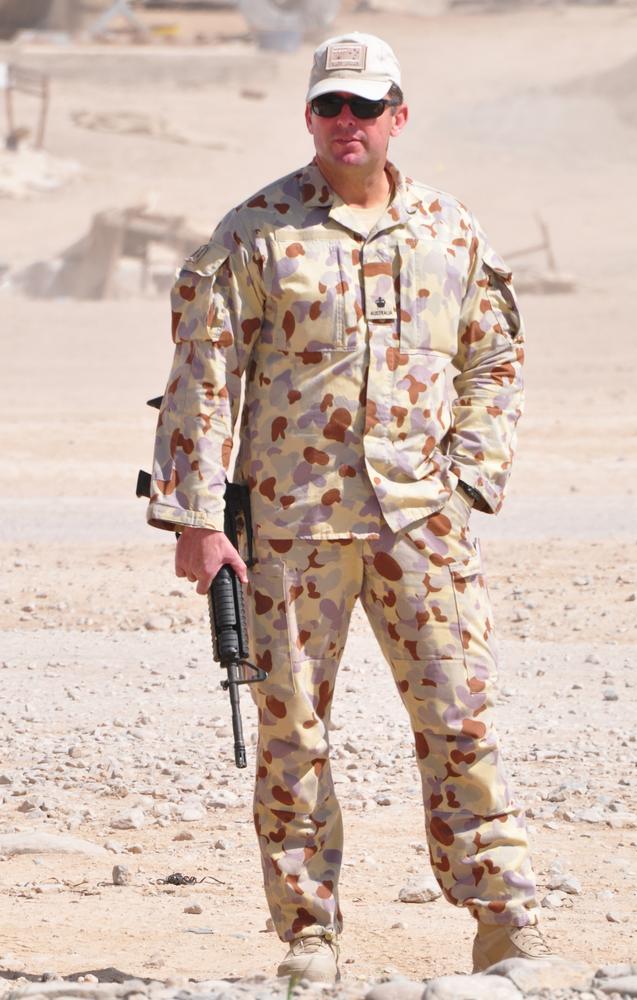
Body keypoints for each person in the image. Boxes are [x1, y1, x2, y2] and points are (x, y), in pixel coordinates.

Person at [147, 31, 551, 982]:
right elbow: (203, 379)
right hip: (290, 527)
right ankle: (310, 936)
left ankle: (506, 919)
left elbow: (494, 356)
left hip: (423, 522)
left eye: (366, 107)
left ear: (397, 117)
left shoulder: (450, 230)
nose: (347, 123)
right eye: (331, 105)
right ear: (310, 115)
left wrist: (469, 472)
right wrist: (198, 522)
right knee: (292, 730)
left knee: (461, 720)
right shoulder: (257, 232)